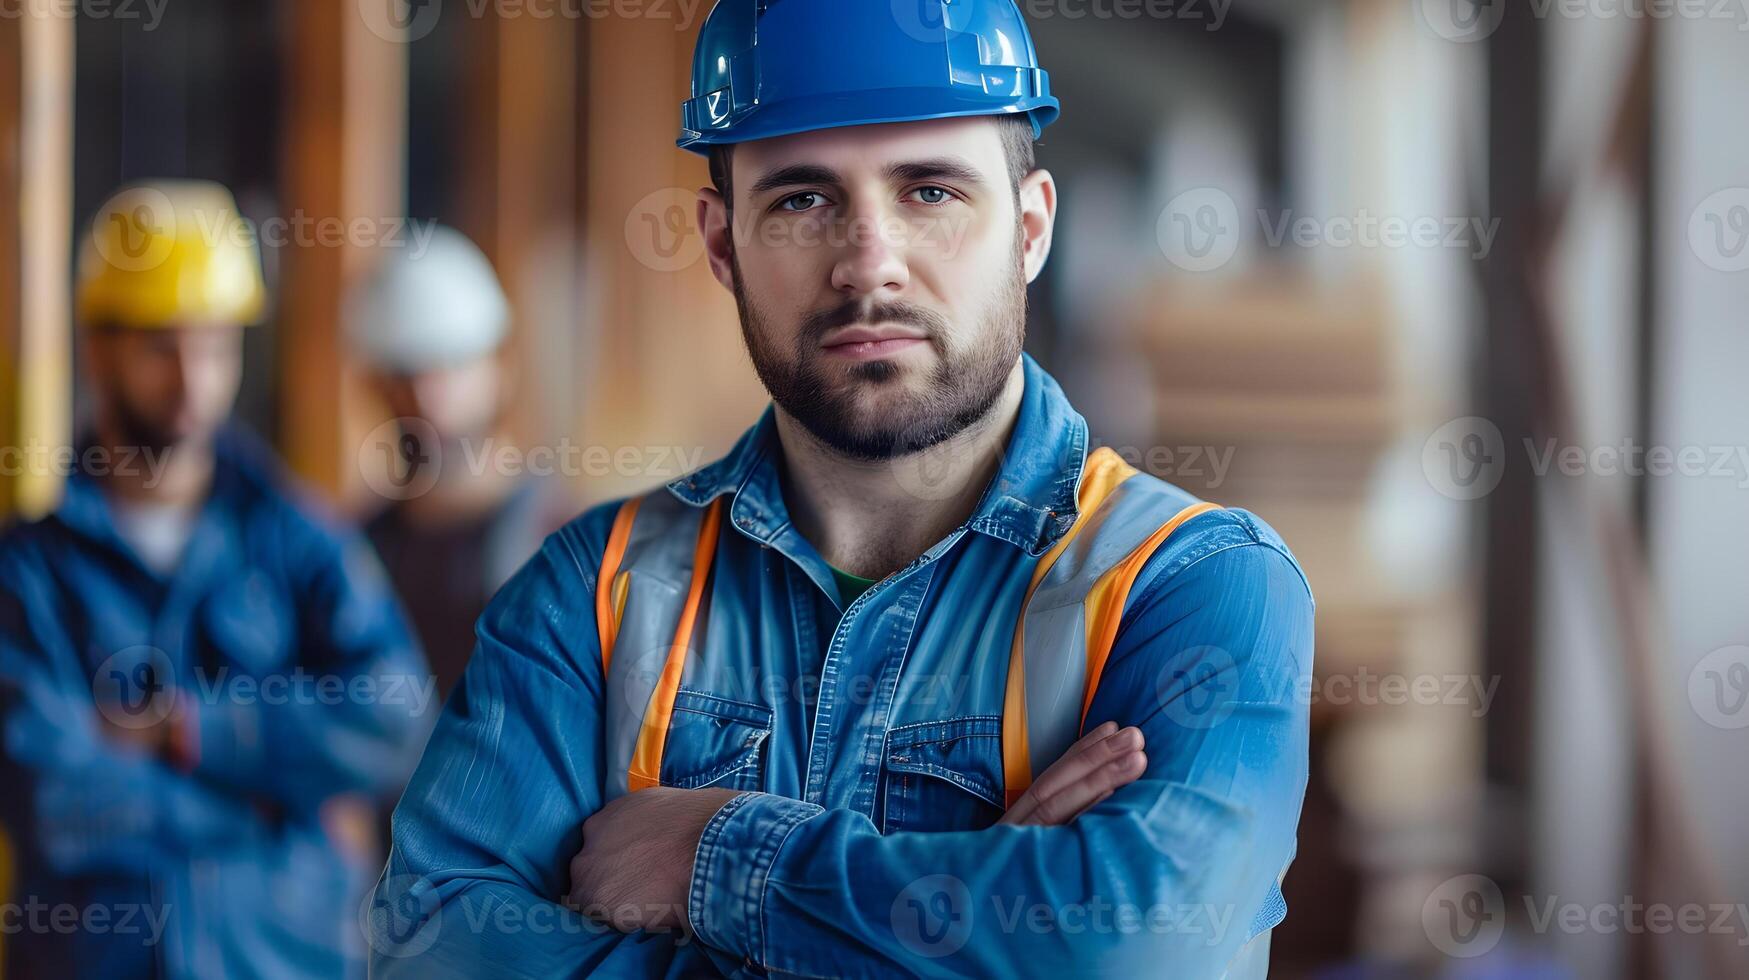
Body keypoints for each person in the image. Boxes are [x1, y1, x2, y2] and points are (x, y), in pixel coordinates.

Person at [372, 2, 1314, 976]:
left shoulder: (1194, 589)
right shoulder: (590, 595)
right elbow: (429, 946)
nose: (870, 263)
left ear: (1030, 228)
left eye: (932, 192)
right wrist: (985, 909)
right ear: (723, 244)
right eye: (802, 201)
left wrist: (713, 859)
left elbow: (1135, 947)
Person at [0, 181, 434, 978]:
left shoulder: (298, 539)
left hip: (281, 961)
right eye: (162, 346)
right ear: (98, 349)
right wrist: (274, 805)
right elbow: (51, 803)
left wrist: (188, 732)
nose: (194, 380)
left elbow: (395, 719)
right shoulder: (30, 569)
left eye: (215, 347)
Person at [348, 226, 564, 702]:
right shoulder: (357, 553)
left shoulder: (564, 542)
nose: (427, 397)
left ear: (502, 366)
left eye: (449, 367)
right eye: (406, 374)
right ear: (375, 385)